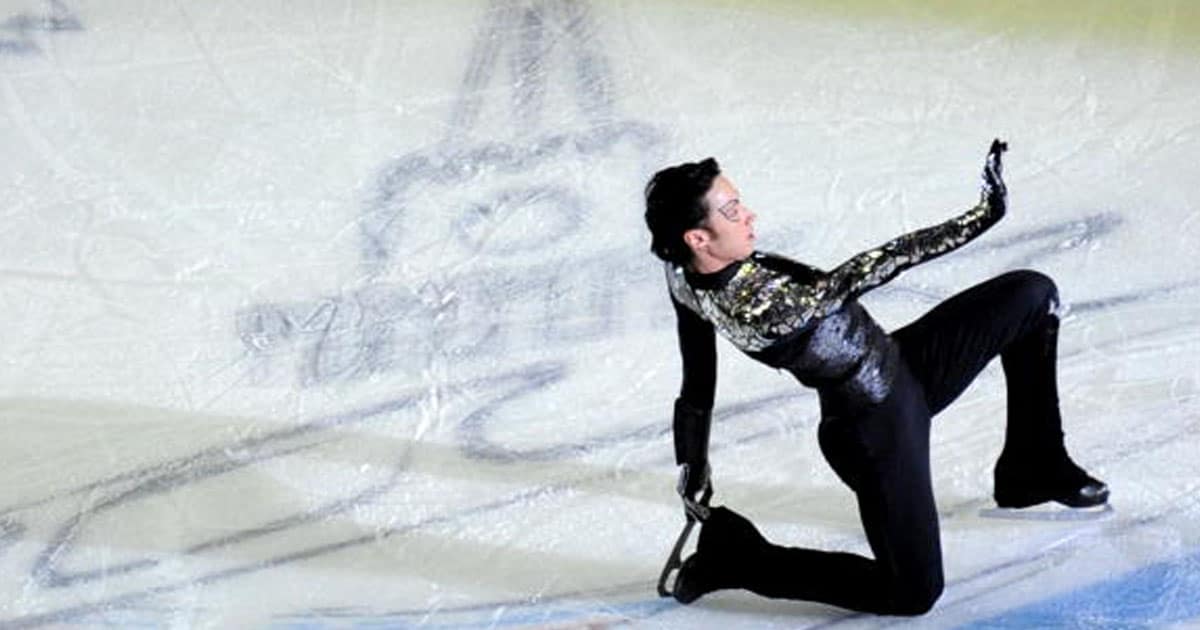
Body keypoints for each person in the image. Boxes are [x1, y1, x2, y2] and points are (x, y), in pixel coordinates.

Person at [642, 141, 1108, 615]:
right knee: (912, 592)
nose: (750, 216)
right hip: (874, 429)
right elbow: (879, 263)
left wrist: (691, 467)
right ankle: (742, 559)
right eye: (732, 210)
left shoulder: (683, 274)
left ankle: (1034, 463)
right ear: (698, 238)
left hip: (904, 363)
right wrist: (983, 215)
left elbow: (696, 385)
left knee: (1031, 295)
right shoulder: (763, 309)